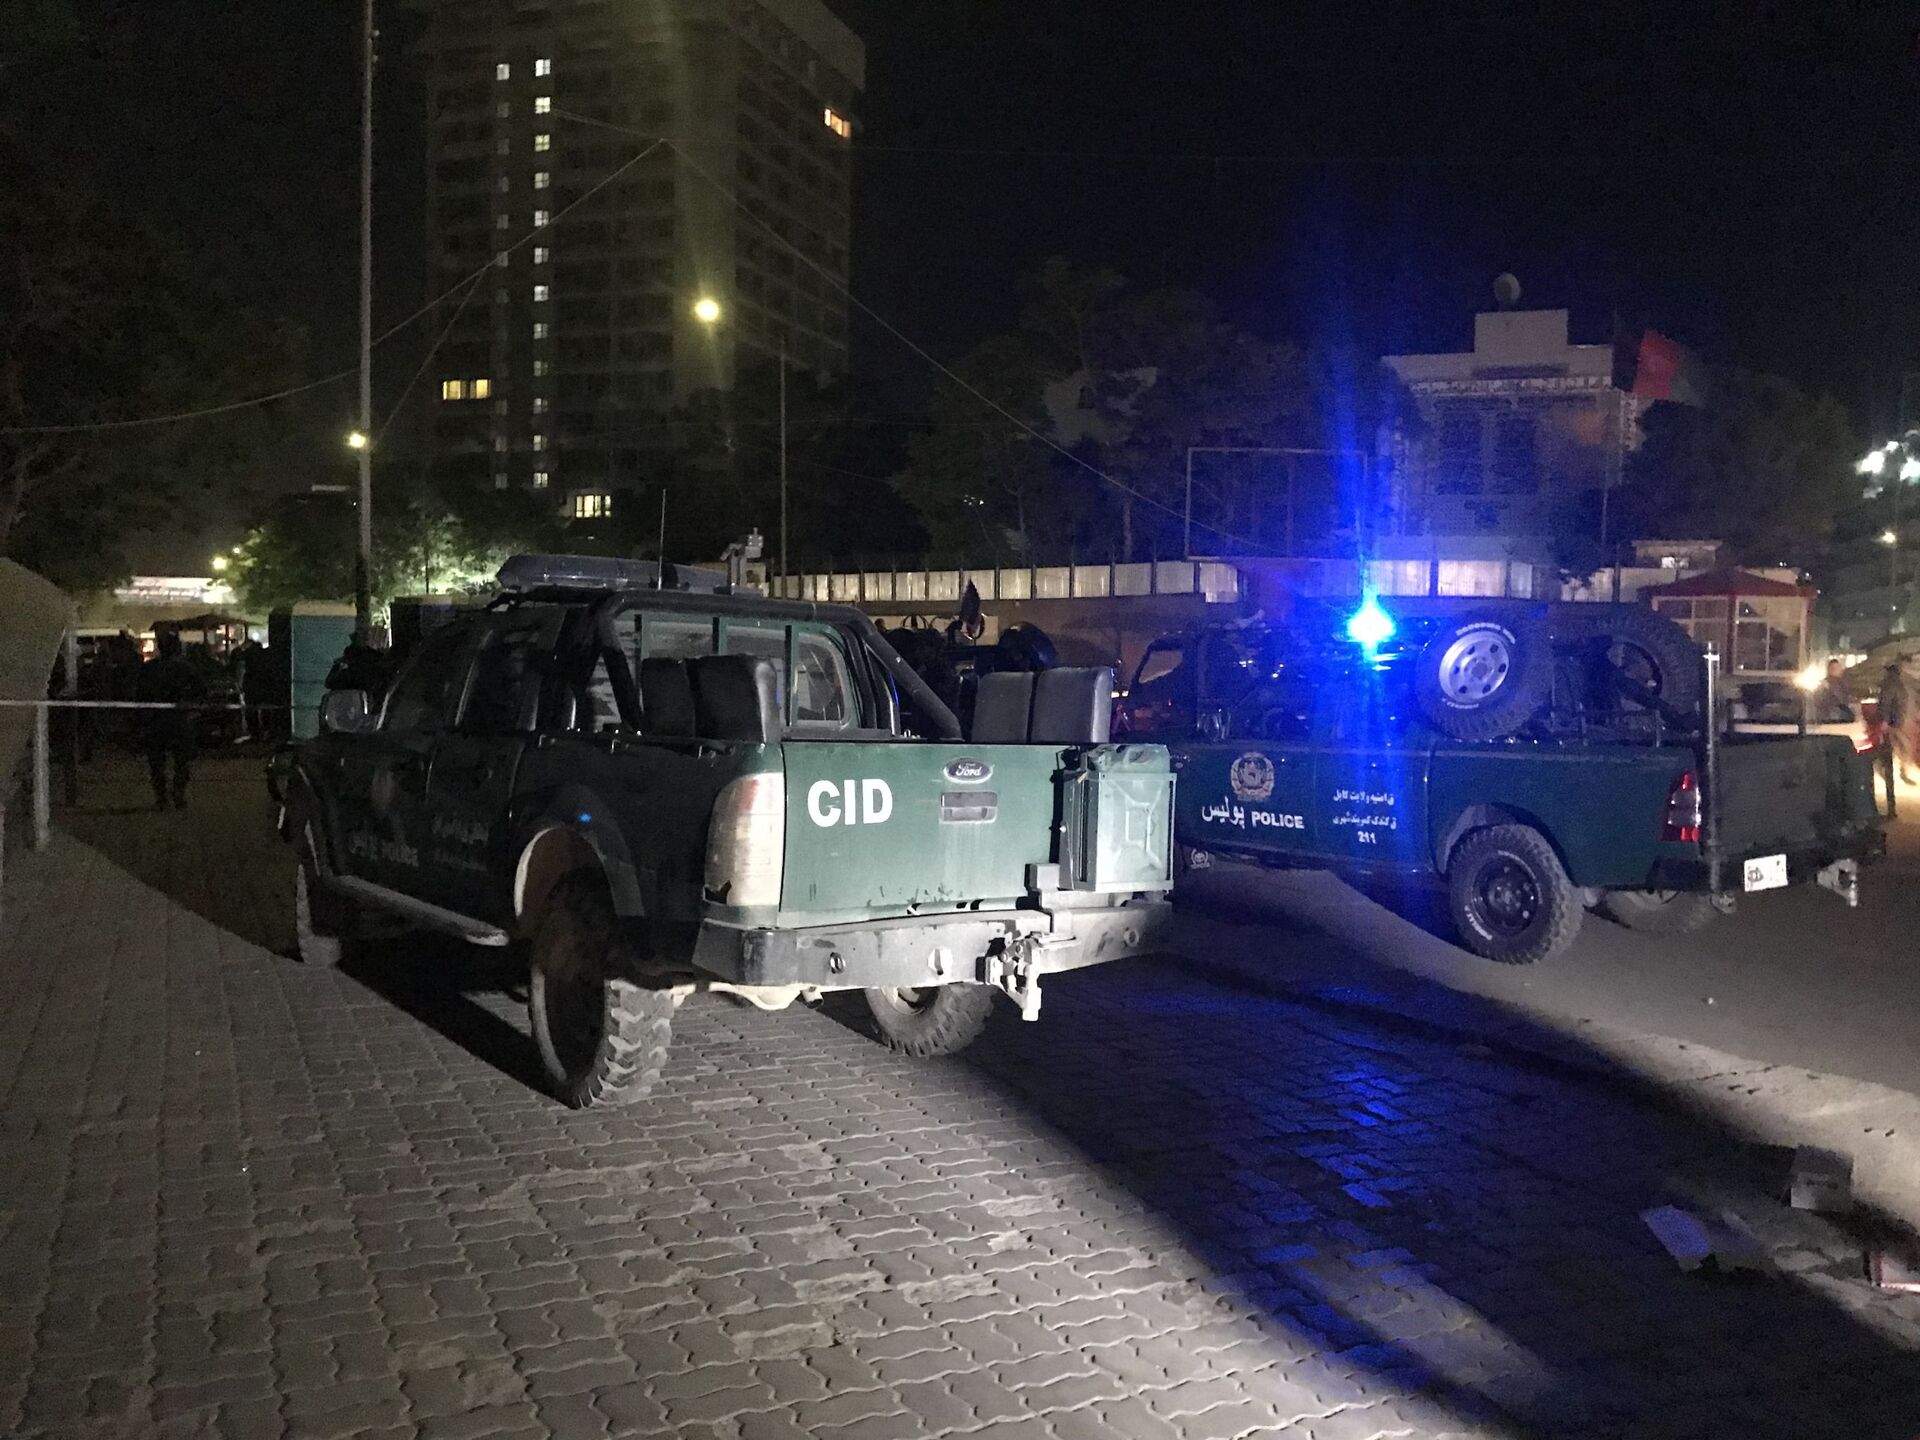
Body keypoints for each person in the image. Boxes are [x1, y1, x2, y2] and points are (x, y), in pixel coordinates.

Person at [135, 631, 207, 810]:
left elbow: (140, 694)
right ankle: (177, 792)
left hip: (156, 719)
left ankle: (162, 796)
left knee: (157, 761)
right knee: (181, 760)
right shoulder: (186, 668)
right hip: (178, 718)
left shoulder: (150, 668)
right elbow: (201, 690)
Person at [1812, 658, 1854, 723]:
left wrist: (1830, 688)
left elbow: (1843, 699)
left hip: (1841, 718)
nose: (1835, 670)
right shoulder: (1822, 684)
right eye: (1832, 668)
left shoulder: (1844, 684)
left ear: (1840, 669)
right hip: (1825, 718)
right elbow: (1817, 701)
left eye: (1837, 668)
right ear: (1828, 669)